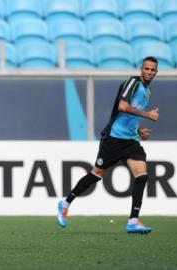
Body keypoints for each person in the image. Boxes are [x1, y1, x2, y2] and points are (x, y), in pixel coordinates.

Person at [57, 56, 160, 234]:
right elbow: (122, 106)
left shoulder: (147, 91)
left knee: (142, 176)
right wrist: (147, 115)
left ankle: (133, 221)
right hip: (114, 138)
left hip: (130, 140)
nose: (149, 72)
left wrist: (139, 130)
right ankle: (65, 203)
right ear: (140, 69)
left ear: (156, 72)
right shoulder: (133, 83)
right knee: (96, 175)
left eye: (152, 70)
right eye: (146, 69)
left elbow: (129, 117)